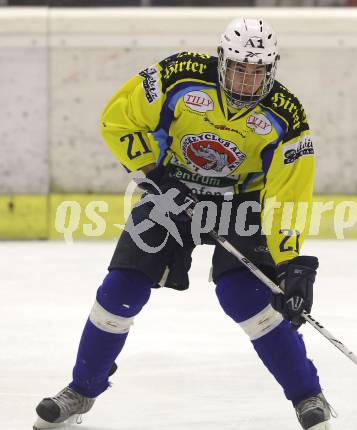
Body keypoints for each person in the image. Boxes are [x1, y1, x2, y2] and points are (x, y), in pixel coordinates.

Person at [34, 17, 333, 430]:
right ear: (221, 60)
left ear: (273, 68)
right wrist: (154, 174)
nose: (248, 81)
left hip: (241, 204)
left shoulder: (287, 114)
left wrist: (291, 262)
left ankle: (307, 396)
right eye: (239, 69)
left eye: (258, 72)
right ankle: (82, 390)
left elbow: (289, 193)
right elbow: (117, 120)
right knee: (122, 287)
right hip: (169, 191)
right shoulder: (179, 75)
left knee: (244, 297)